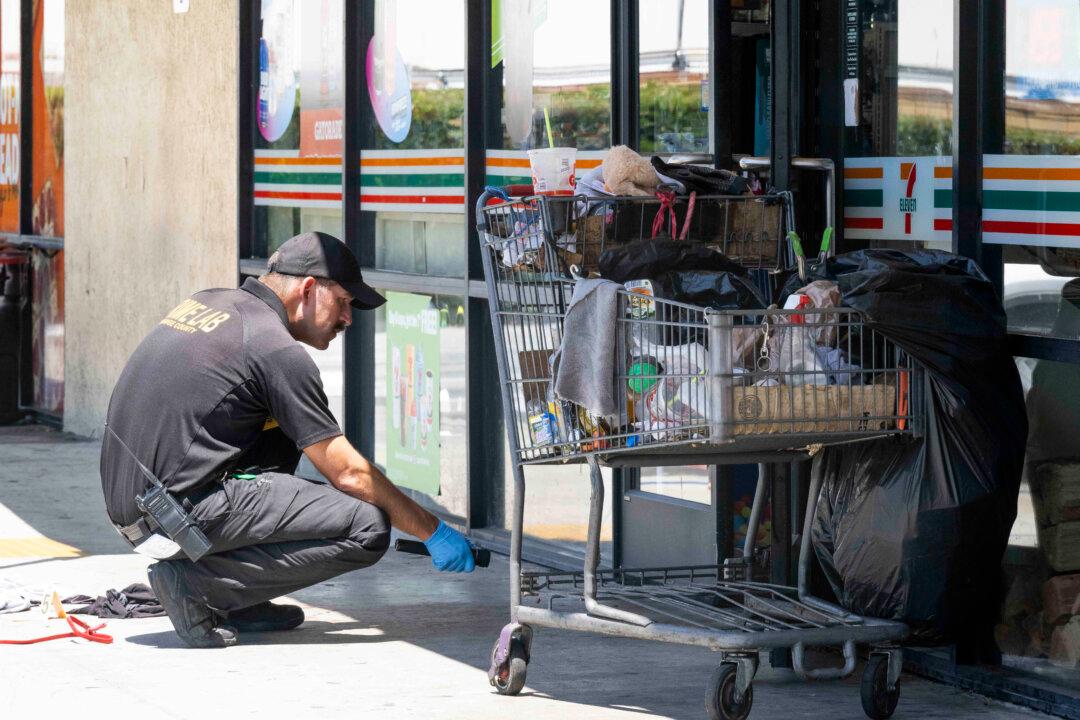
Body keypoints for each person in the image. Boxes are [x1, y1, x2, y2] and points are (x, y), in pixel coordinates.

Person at [99, 231, 475, 649]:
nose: (349, 319)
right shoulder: (275, 350)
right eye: (345, 303)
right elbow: (349, 473)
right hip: (175, 511)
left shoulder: (211, 302)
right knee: (366, 525)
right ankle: (201, 587)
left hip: (133, 507)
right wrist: (433, 530)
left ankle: (237, 599)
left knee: (287, 431)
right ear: (309, 288)